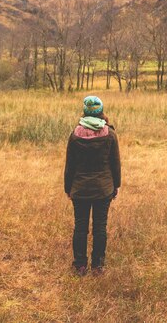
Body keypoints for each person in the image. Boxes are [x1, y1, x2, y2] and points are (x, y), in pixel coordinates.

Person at [64, 95, 121, 276]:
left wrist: (68, 188)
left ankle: (80, 265)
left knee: (80, 227)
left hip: (79, 188)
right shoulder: (110, 134)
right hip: (103, 189)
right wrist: (115, 186)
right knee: (100, 227)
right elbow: (115, 164)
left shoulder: (75, 135)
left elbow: (70, 166)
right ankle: (98, 266)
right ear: (101, 112)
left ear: (85, 111)